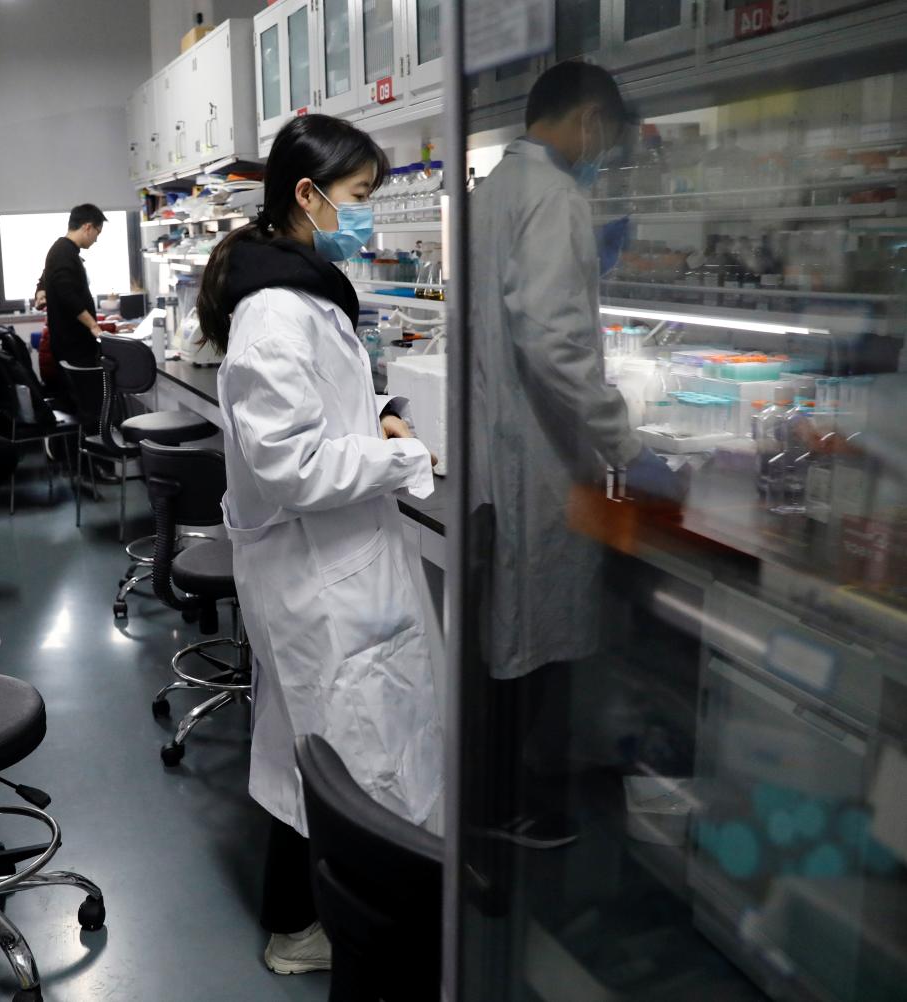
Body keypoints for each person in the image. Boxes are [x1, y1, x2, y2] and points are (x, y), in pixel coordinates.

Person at [197, 114, 442, 976]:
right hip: (320, 574)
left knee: (325, 746)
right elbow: (292, 466)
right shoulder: (274, 314)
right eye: (362, 196)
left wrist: (373, 423)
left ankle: (307, 918)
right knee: (344, 755)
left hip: (335, 561)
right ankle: (325, 932)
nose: (369, 213)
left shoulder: (304, 294)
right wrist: (402, 454)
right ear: (308, 196)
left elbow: (314, 424)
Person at [468, 61, 685, 848]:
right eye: (608, 137)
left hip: (504, 448)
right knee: (539, 644)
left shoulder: (490, 190)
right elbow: (558, 344)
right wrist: (627, 442)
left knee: (518, 638)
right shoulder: (556, 195)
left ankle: (502, 798)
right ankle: (525, 806)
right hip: (541, 456)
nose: (605, 153)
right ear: (588, 118)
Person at [38, 204, 106, 403]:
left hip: (70, 344)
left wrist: (41, 291)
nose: (96, 239)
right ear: (87, 227)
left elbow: (47, 276)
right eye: (97, 232)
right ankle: (93, 434)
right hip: (74, 345)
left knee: (86, 401)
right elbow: (68, 295)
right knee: (89, 403)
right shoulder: (63, 252)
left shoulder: (63, 250)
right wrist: (93, 325)